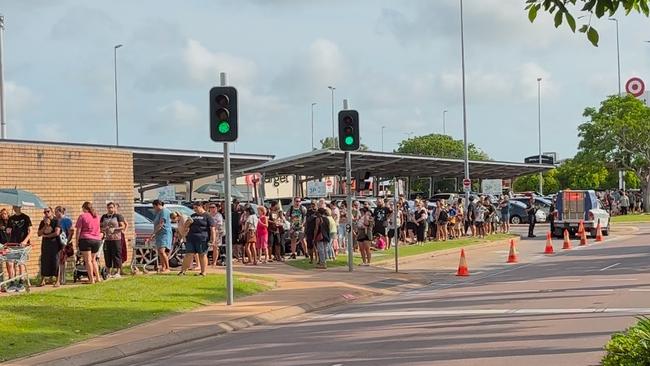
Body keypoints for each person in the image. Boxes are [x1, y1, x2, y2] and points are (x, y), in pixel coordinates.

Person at [179, 202, 216, 276]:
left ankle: (203, 272)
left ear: (201, 206)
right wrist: (188, 223)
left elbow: (212, 229)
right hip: (191, 238)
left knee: (202, 255)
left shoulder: (207, 216)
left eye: (196, 207)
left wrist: (212, 240)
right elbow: (185, 227)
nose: (195, 209)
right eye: (194, 208)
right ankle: (182, 271)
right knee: (188, 254)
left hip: (202, 238)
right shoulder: (192, 216)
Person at [75, 202, 102, 284]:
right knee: (93, 260)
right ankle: (98, 278)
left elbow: (78, 230)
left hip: (86, 239)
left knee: (88, 261)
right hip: (96, 240)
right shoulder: (97, 216)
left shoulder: (82, 216)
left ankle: (91, 279)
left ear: (84, 208)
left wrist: (77, 241)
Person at [100, 202, 126, 278]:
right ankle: (108, 271)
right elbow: (100, 226)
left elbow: (123, 226)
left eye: (112, 207)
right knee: (107, 255)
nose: (110, 209)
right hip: (107, 239)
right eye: (109, 207)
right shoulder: (104, 217)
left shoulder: (118, 216)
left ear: (114, 208)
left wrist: (115, 229)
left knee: (116, 255)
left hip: (116, 238)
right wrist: (104, 229)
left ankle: (117, 271)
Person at [38, 207, 61, 287]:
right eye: (44, 212)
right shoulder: (42, 222)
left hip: (54, 244)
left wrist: (47, 236)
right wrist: (45, 225)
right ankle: (42, 280)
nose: (46, 213)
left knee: (55, 261)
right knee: (44, 261)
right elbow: (39, 233)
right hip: (45, 244)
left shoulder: (56, 221)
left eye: (48, 211)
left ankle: (57, 280)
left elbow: (57, 232)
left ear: (51, 212)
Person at [149, 200, 173, 273]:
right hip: (159, 234)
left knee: (162, 251)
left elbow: (161, 224)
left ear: (158, 205)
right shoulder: (158, 212)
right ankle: (163, 267)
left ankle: (167, 268)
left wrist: (153, 234)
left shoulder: (164, 211)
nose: (154, 208)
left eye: (154, 206)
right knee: (160, 252)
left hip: (164, 233)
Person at [55, 206, 74, 285]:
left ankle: (63, 278)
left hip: (64, 242)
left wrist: (67, 241)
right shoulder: (56, 220)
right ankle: (59, 278)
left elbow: (71, 232)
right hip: (57, 242)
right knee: (59, 261)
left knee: (63, 261)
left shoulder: (67, 220)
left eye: (56, 212)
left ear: (60, 212)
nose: (55, 214)